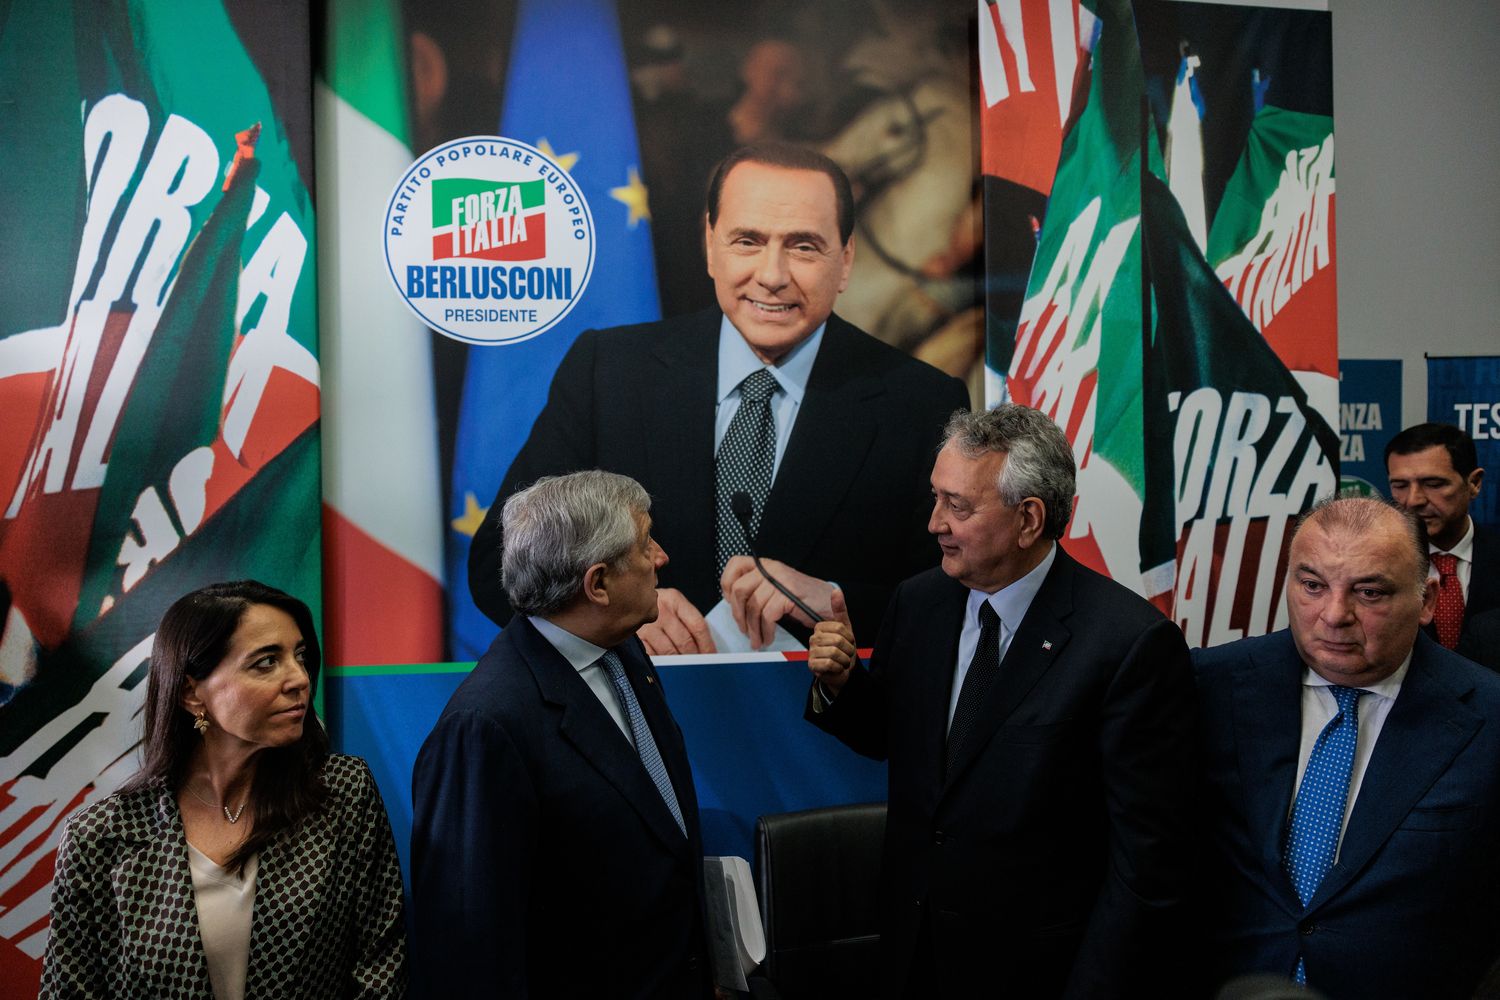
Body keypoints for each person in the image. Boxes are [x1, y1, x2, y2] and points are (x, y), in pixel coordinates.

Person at [468, 142, 969, 654]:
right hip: (631, 719)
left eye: (803, 246)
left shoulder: (923, 403)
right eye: (747, 241)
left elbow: (961, 600)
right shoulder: (608, 372)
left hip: (823, 726)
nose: (772, 276)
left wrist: (835, 601)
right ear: (710, 246)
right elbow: (498, 563)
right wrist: (613, 610)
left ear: (845, 260)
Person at [804, 404, 1197, 998]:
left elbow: (1147, 863)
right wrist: (840, 686)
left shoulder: (1128, 644)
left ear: (1028, 519)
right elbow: (893, 740)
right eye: (935, 498)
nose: (934, 522)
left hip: (1038, 972)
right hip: (915, 951)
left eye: (956, 506)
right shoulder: (919, 602)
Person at [413, 471, 711, 998]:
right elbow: (469, 947)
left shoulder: (625, 653)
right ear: (597, 584)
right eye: (645, 543)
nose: (661, 556)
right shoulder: (483, 727)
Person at [1192, 496, 1500, 997]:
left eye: (1370, 592)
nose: (1334, 615)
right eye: (1312, 586)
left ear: (1426, 600)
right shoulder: (1206, 687)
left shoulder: (1488, 718)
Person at [40, 581, 407, 999]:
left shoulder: (343, 794)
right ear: (192, 693)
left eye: (300, 656)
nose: (299, 679)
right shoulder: (99, 837)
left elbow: (381, 972)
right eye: (266, 662)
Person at [1385, 421, 1496, 667]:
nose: (1413, 500)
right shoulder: (1375, 564)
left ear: (1474, 483)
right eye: (1400, 486)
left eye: (1434, 484)